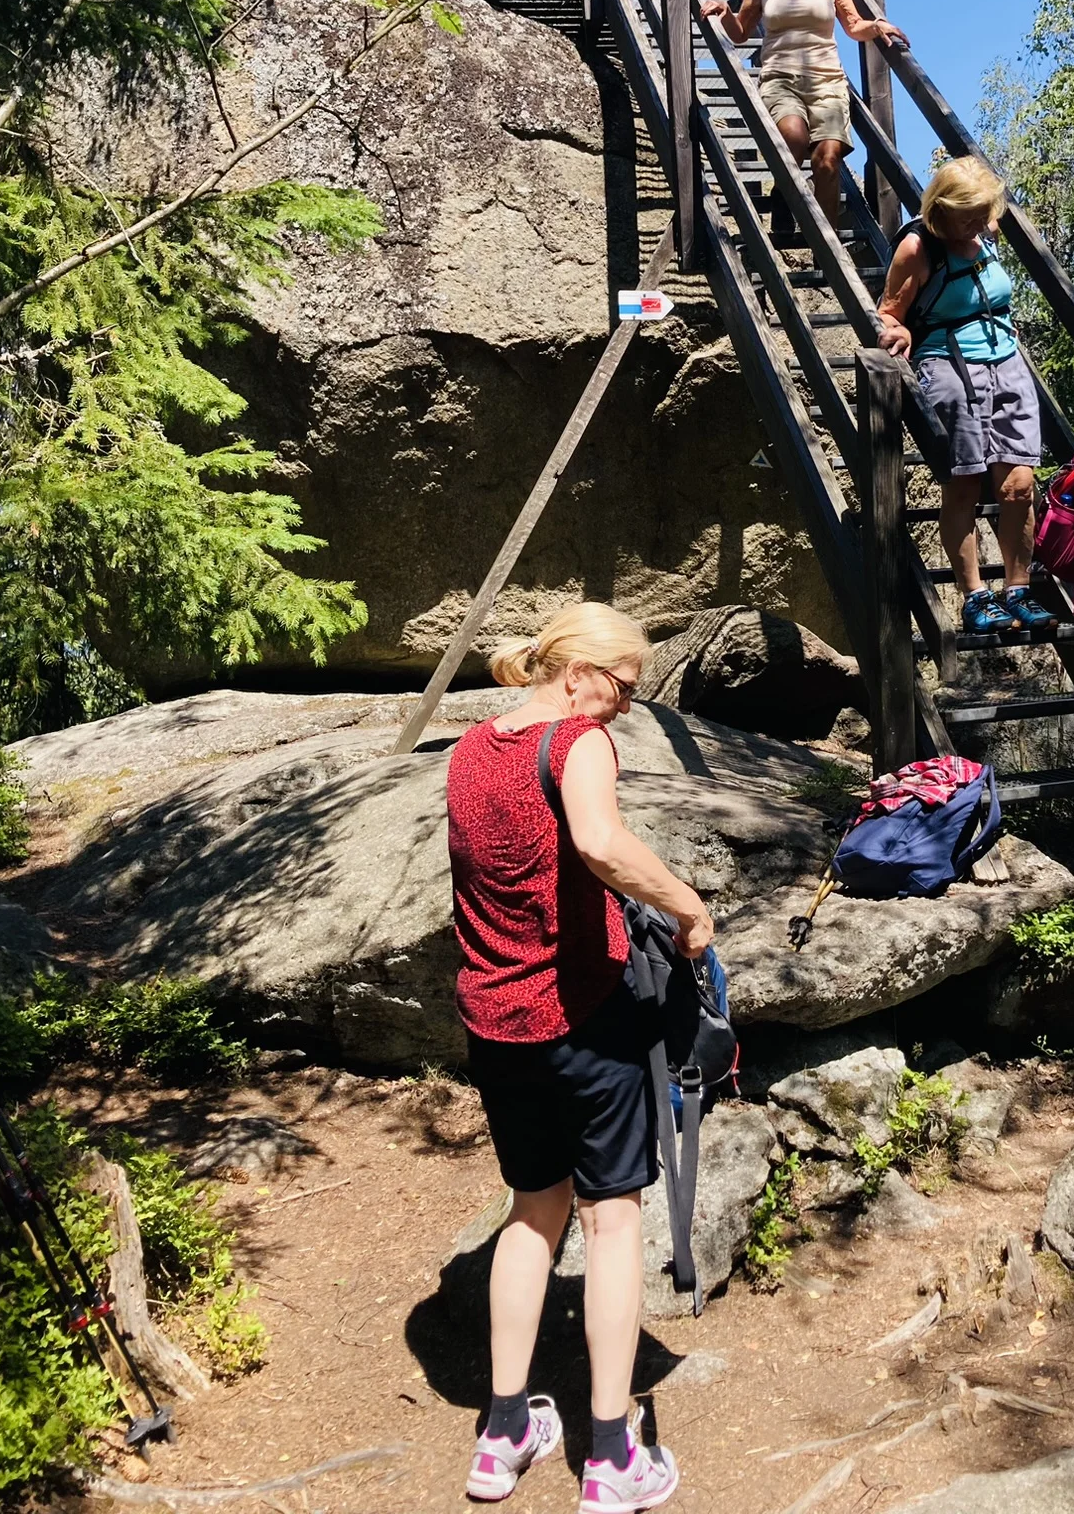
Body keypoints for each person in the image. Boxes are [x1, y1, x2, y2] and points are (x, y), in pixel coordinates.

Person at [446, 602, 713, 1510]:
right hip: (580, 1021)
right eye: (624, 689)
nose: (626, 709)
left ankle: (504, 1432)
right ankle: (609, 1455)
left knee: (531, 1213)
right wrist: (688, 907)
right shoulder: (574, 744)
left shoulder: (471, 750)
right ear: (578, 672)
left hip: (494, 1020)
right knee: (610, 1221)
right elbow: (599, 844)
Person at [876, 159, 1057, 635]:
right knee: (965, 483)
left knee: (1019, 483)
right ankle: (975, 596)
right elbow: (889, 313)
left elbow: (987, 221)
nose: (980, 224)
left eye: (984, 213)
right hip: (949, 364)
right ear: (942, 209)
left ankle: (1018, 589)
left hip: (1008, 363)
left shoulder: (985, 229)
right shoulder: (918, 247)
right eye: (970, 216)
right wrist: (898, 335)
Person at [699, 0, 905, 229]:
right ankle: (785, 191)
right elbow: (740, 33)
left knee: (827, 162)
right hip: (780, 78)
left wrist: (878, 26)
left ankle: (826, 242)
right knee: (793, 138)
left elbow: (853, 25)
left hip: (826, 81)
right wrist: (724, 12)